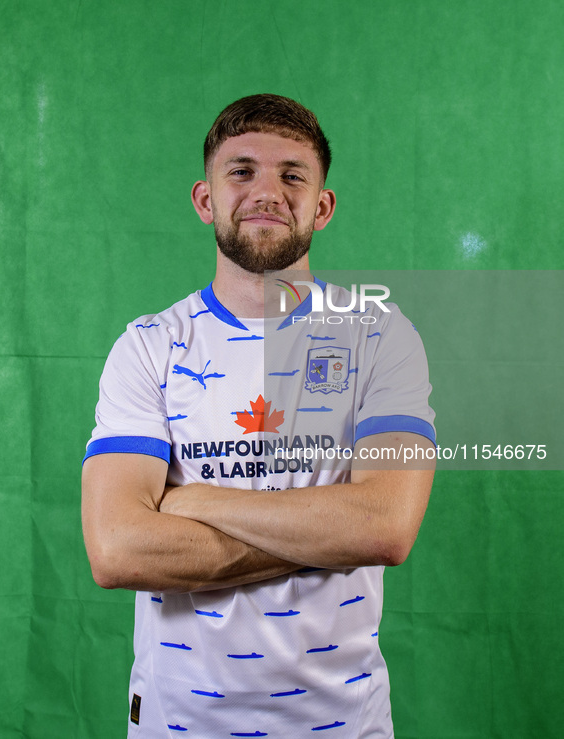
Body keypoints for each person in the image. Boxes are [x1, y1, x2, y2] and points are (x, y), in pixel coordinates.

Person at [81, 93, 436, 738]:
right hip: (177, 724)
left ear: (321, 206)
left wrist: (195, 502)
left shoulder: (380, 335)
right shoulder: (148, 346)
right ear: (205, 199)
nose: (267, 191)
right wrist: (327, 527)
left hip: (341, 723)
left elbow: (385, 527)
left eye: (292, 175)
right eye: (241, 171)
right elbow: (117, 549)